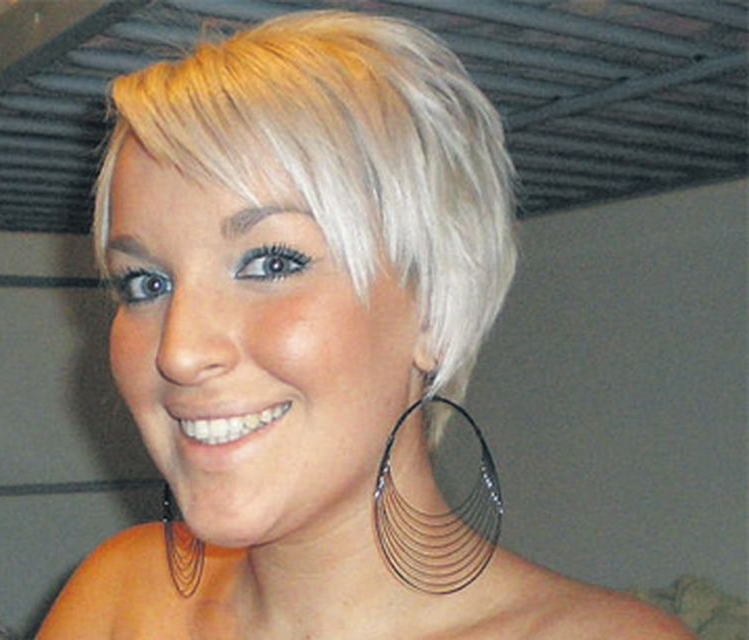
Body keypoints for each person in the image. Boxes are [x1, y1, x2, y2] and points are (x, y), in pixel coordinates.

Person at [38, 11, 694, 639]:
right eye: (146, 284)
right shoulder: (118, 597)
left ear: (434, 307)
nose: (179, 352)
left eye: (271, 264)